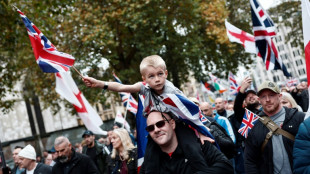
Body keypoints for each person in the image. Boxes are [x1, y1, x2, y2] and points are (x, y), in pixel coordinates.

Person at [83, 55, 212, 172]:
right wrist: (99, 83)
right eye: (151, 76)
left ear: (166, 74)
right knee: (149, 158)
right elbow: (122, 87)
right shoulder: (145, 88)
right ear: (144, 79)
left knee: (193, 151)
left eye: (160, 74)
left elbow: (192, 113)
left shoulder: (173, 92)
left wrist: (203, 133)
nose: (157, 79)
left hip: (178, 128)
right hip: (158, 130)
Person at [140, 111, 233, 174]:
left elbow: (226, 167)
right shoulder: (149, 162)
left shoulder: (200, 145)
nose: (156, 130)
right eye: (150, 128)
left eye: (160, 124)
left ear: (172, 124)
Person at [244, 81, 305, 174]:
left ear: (279, 96)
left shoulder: (299, 117)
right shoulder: (252, 124)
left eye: (271, 95)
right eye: (263, 96)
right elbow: (250, 160)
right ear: (259, 100)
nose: (267, 99)